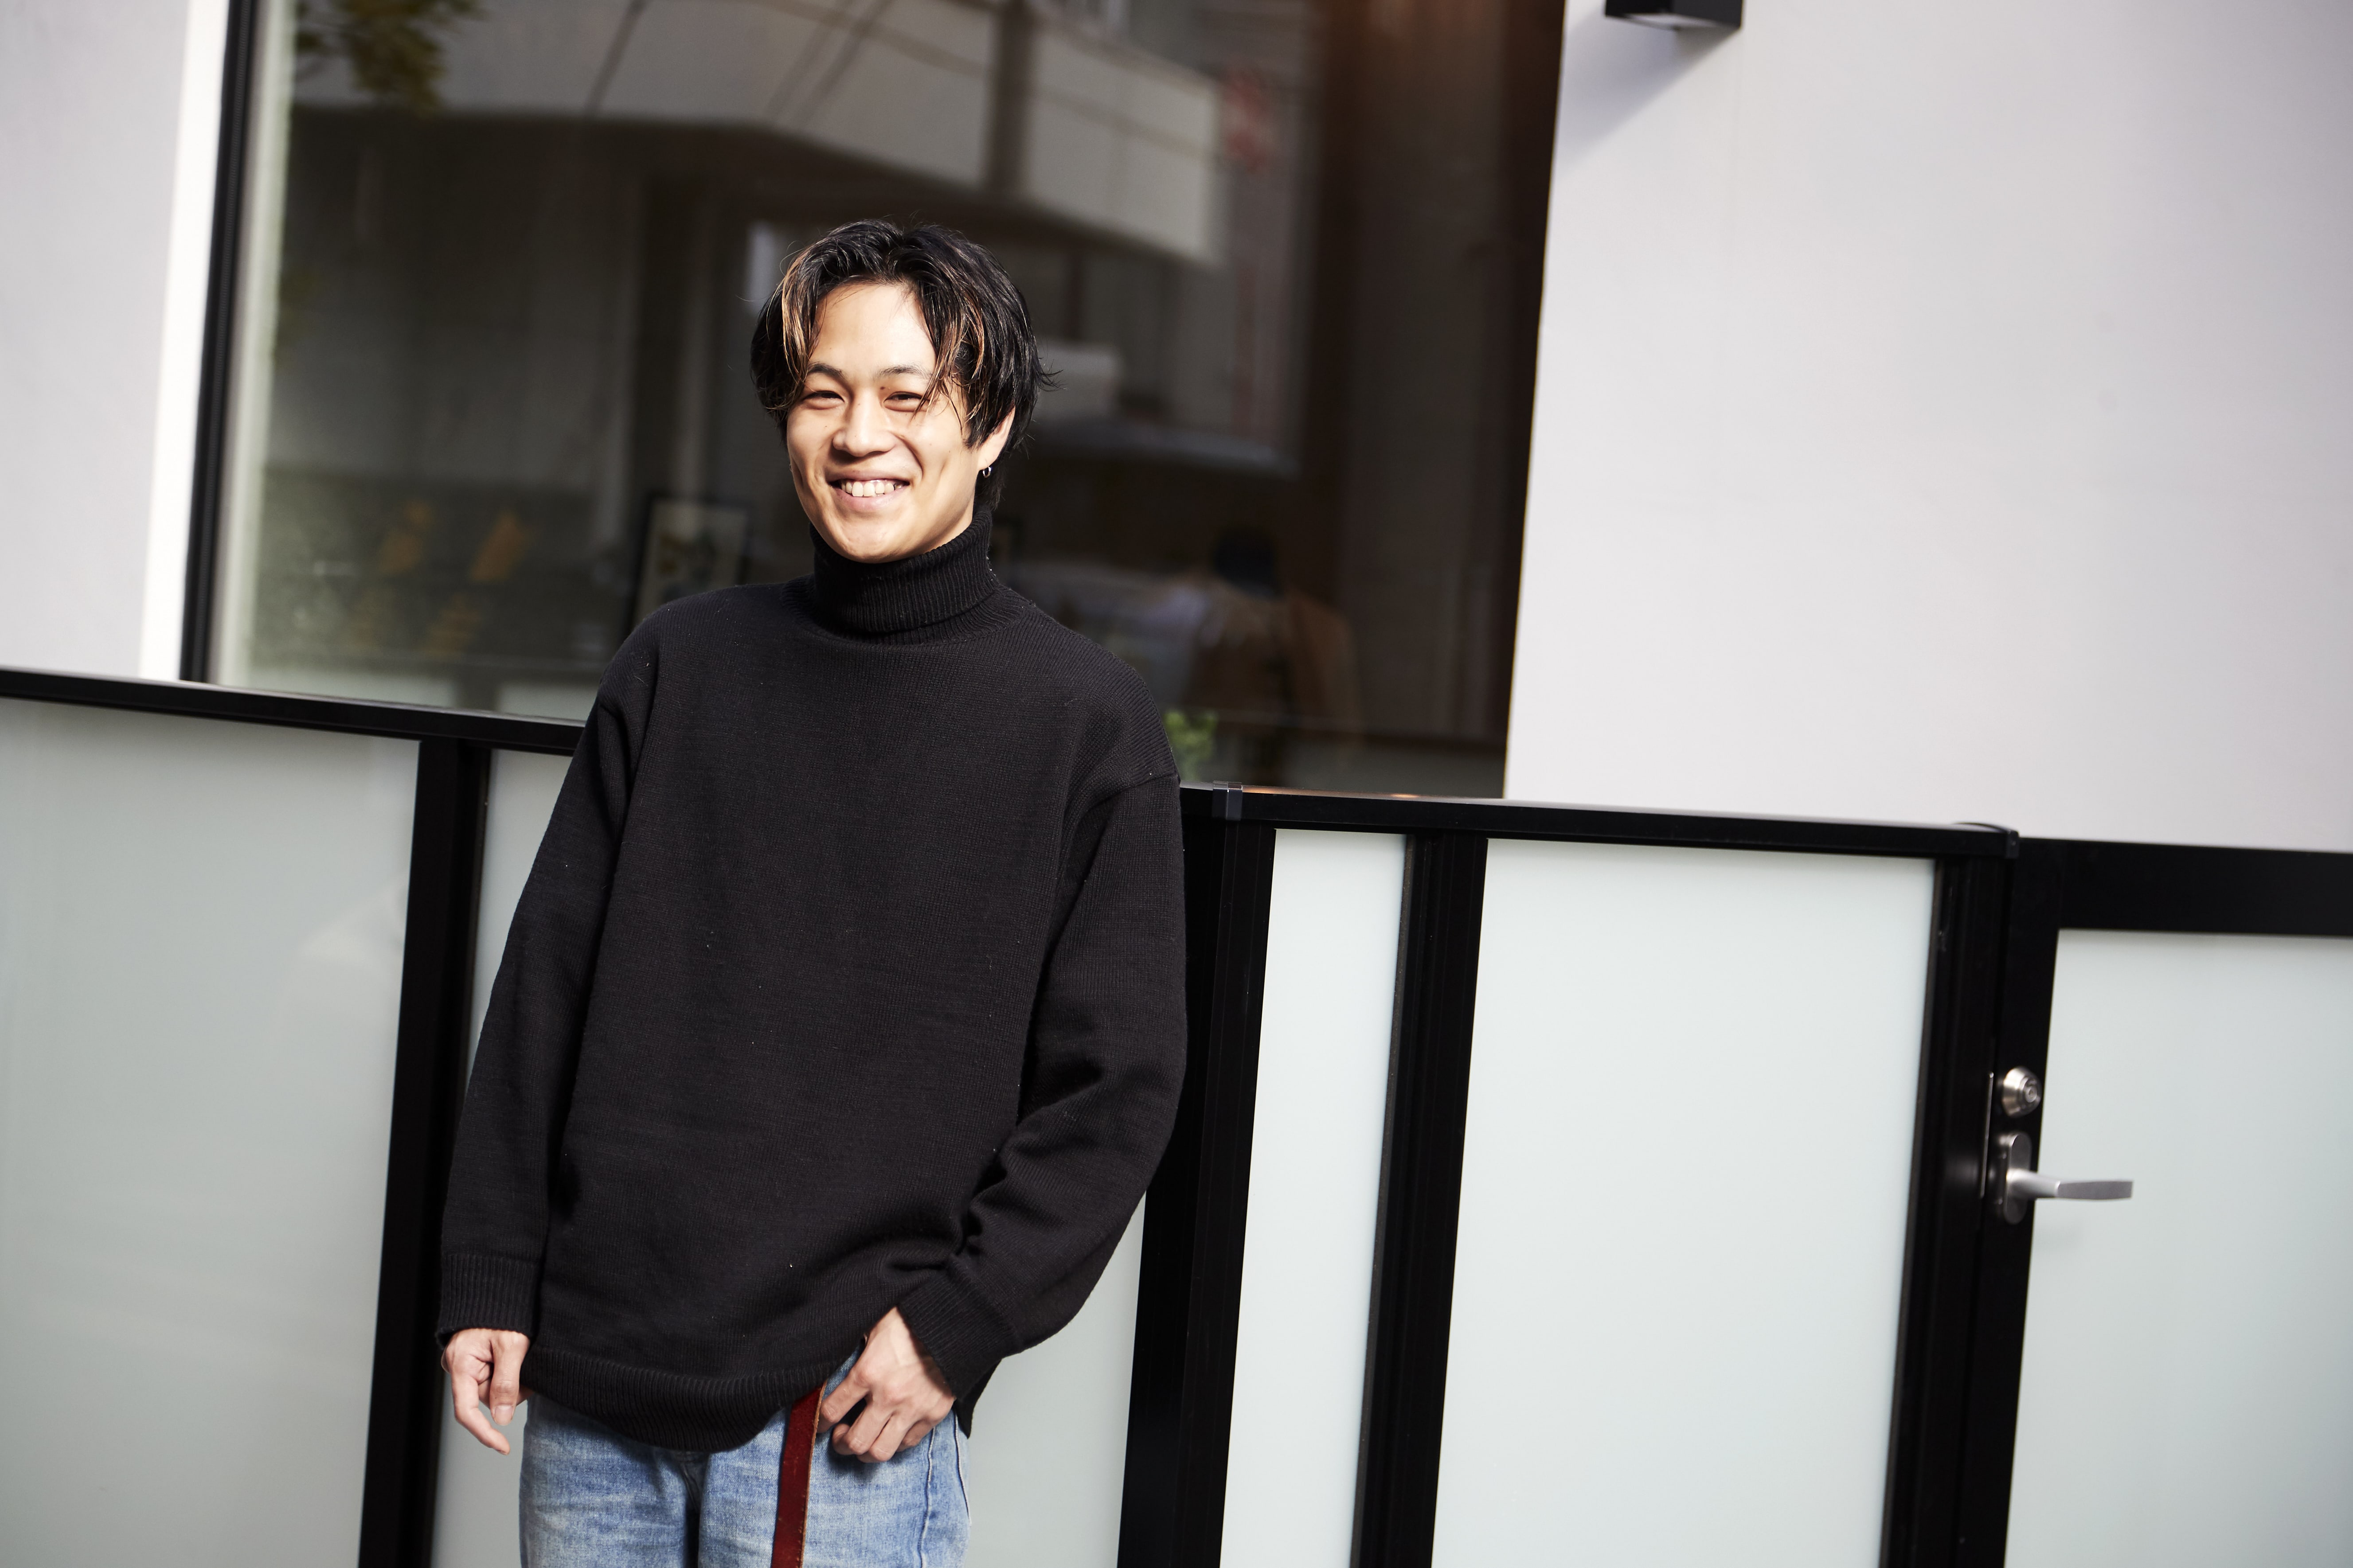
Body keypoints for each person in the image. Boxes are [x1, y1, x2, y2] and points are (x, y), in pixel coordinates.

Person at [436, 219, 1187, 1568]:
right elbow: (549, 983)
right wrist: (492, 1268)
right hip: (595, 1383)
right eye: (824, 393)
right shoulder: (680, 664)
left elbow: (1115, 1086)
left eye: (908, 396)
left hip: (842, 1415)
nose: (858, 436)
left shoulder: (1084, 722)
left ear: (991, 425)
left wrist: (954, 1327)